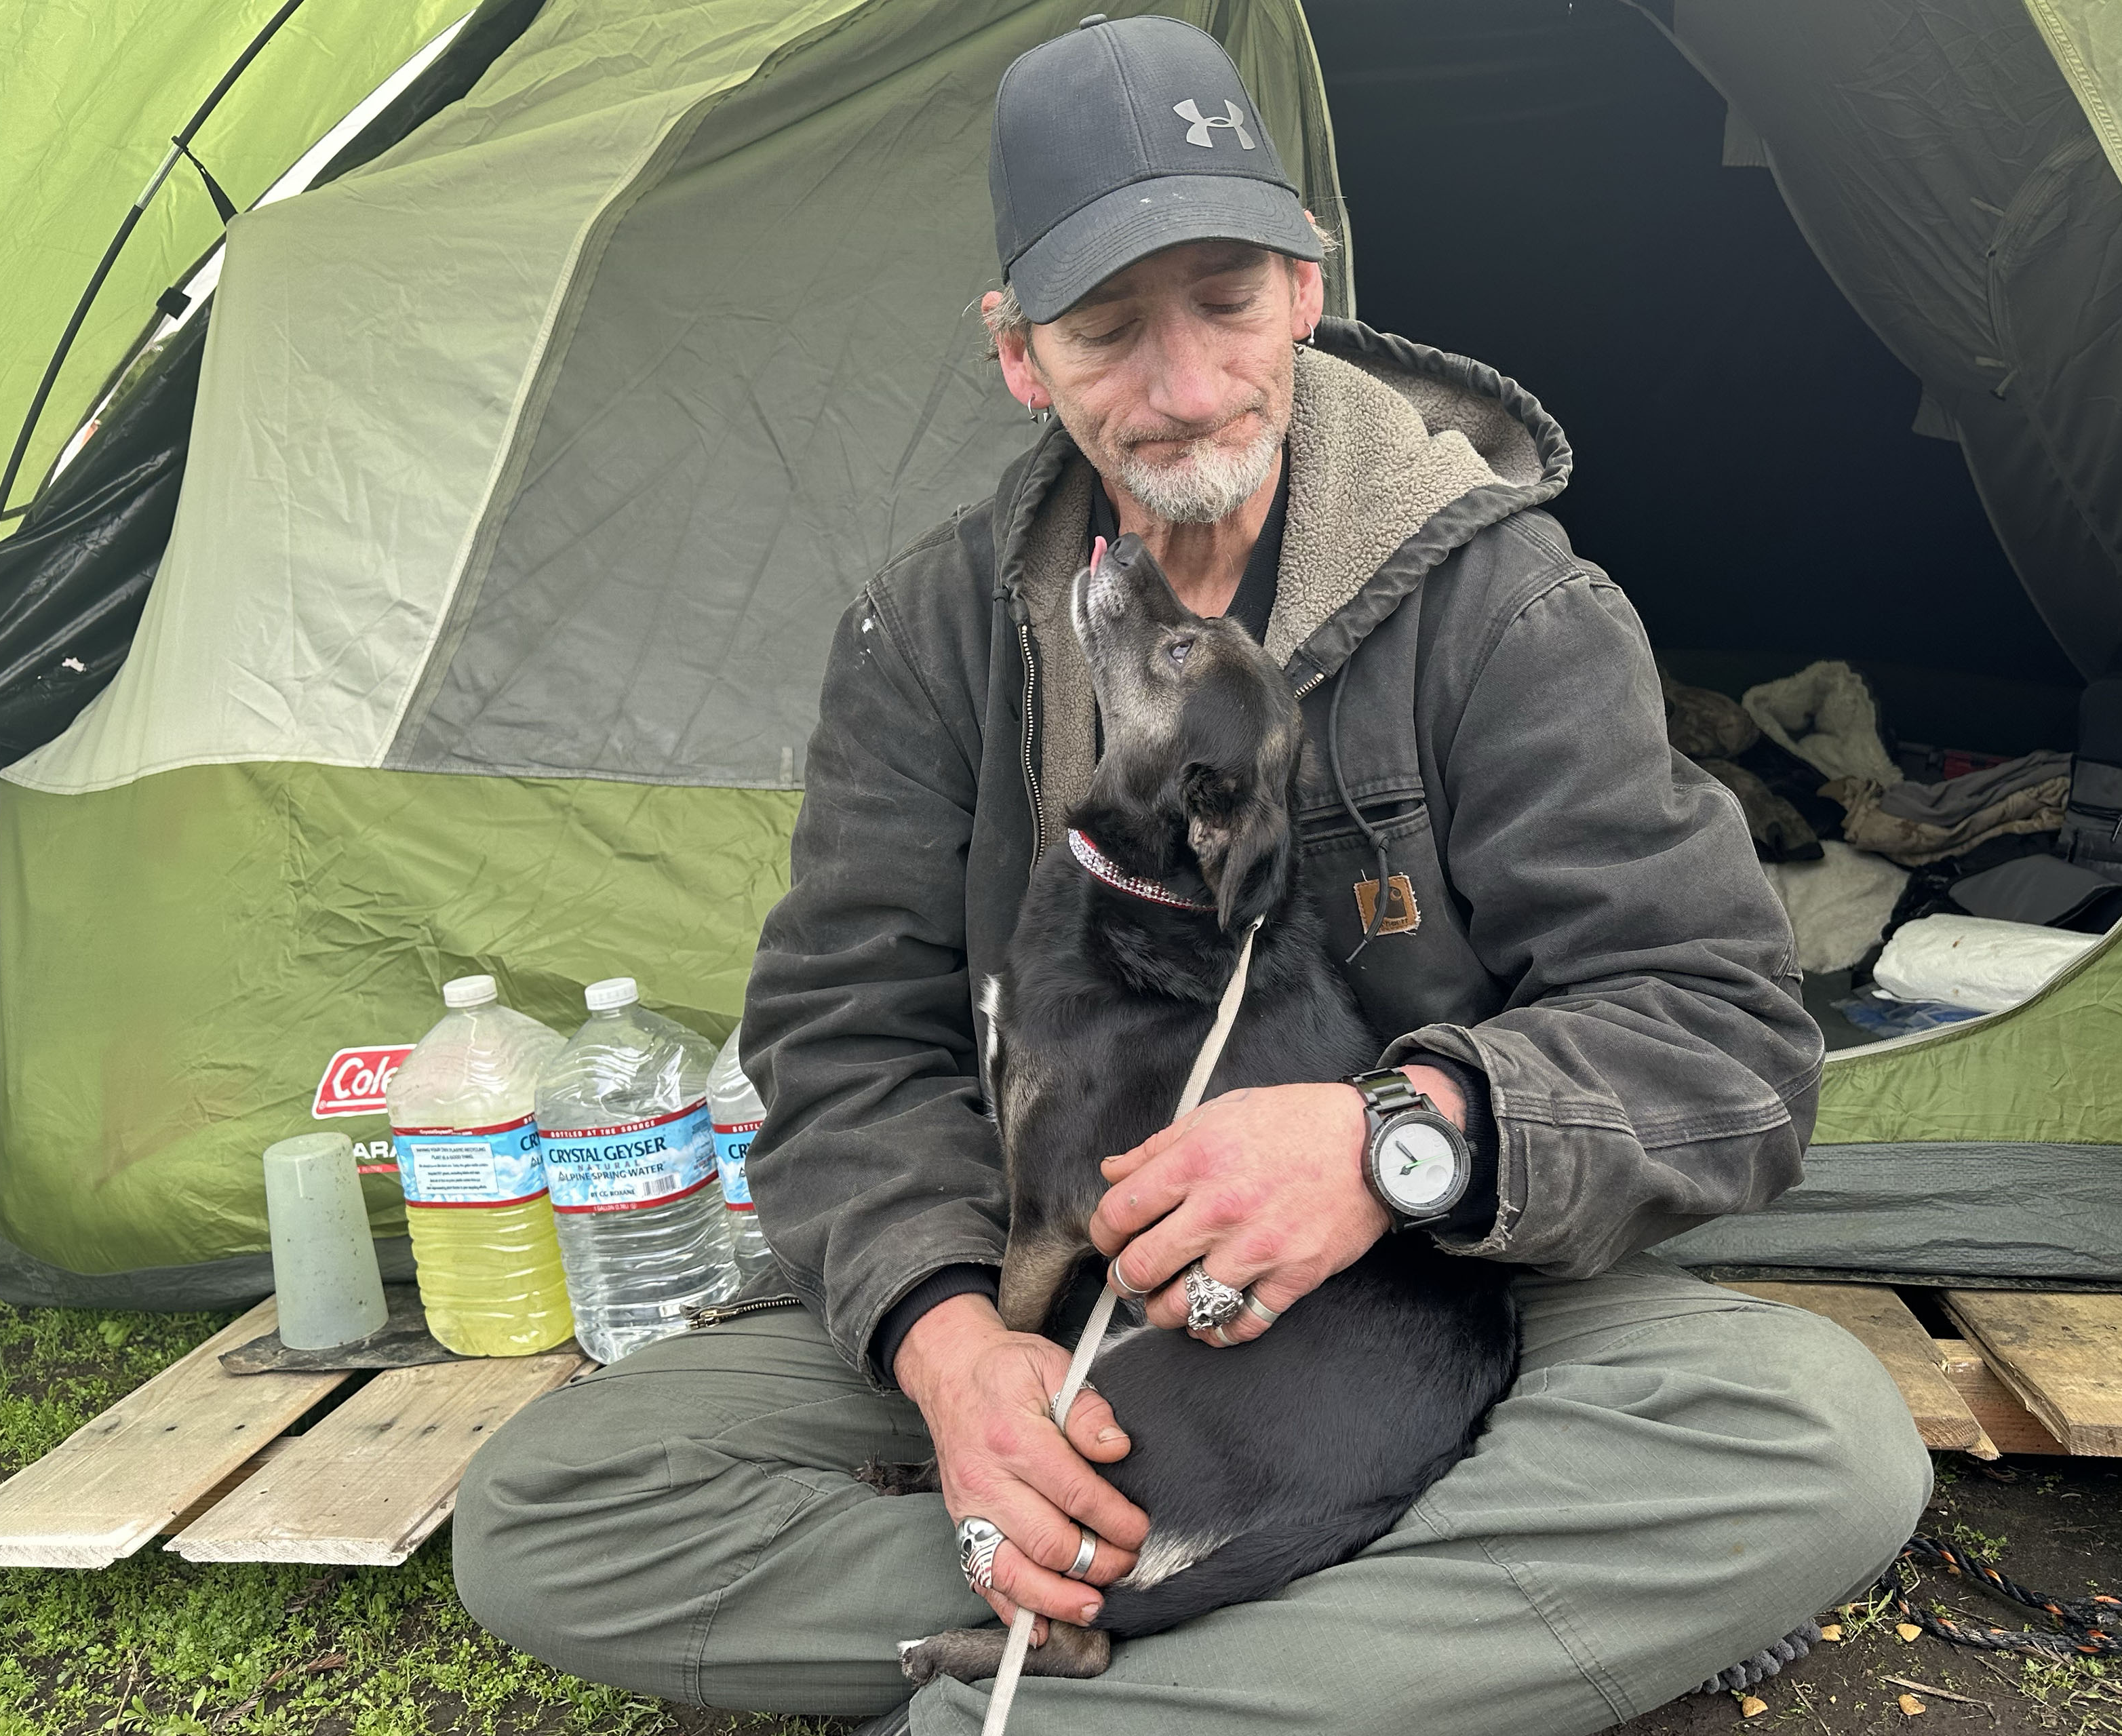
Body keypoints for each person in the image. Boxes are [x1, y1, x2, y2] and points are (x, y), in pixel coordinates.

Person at [453, 16, 1930, 1734]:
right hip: (1040, 1293)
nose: (1179, 384)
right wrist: (953, 1356)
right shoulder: (930, 634)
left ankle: (1047, 1682)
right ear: (1021, 357)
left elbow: (1722, 1035)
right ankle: (1237, 1628)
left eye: (1225, 299)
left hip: (1430, 1308)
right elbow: (846, 1040)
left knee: (1813, 1442)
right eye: (1105, 329)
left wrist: (1399, 1137)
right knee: (549, 1509)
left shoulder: (1509, 608)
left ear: (1307, 287)